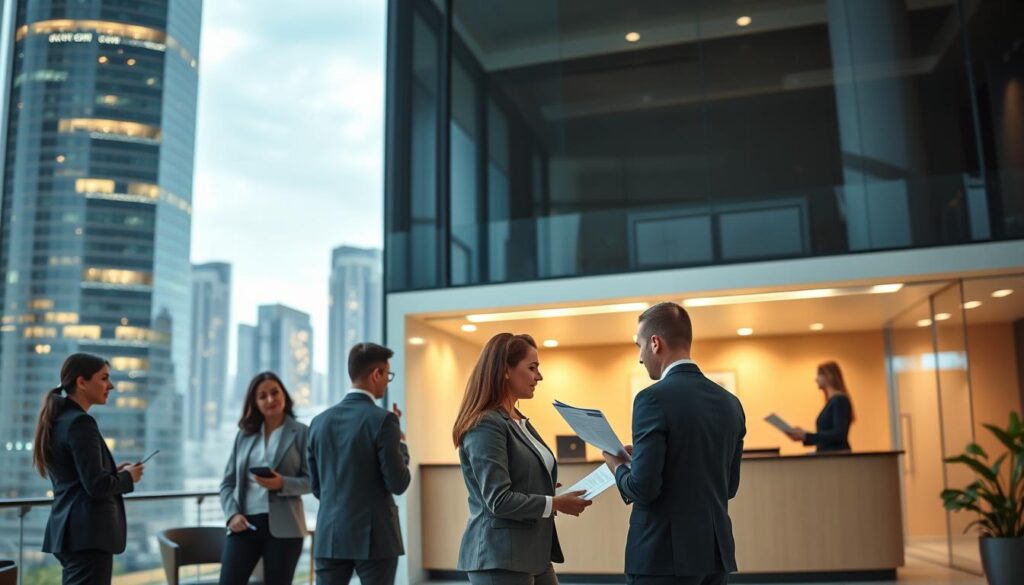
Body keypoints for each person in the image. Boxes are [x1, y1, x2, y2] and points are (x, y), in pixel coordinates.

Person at [603, 303, 746, 585]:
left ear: (655, 343)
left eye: (639, 345)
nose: (640, 358)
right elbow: (728, 486)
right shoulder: (731, 404)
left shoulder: (651, 399)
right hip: (714, 557)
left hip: (661, 557)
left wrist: (617, 464)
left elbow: (643, 489)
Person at [453, 333, 592, 585]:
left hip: (533, 552)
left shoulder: (518, 421)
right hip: (500, 555)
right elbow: (499, 500)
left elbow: (520, 479)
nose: (539, 376)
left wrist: (546, 492)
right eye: (532, 368)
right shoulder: (486, 424)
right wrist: (554, 503)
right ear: (506, 370)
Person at [33, 353, 145, 585]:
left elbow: (77, 477)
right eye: (104, 378)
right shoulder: (80, 423)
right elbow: (96, 486)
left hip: (71, 533)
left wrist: (113, 471)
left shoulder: (60, 419)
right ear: (81, 382)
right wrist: (128, 477)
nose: (111, 385)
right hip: (88, 537)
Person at [307, 342, 410, 585]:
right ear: (377, 374)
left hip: (330, 535)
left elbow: (317, 487)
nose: (387, 381)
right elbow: (398, 483)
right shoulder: (384, 420)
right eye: (388, 375)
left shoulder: (318, 422)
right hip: (376, 538)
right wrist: (401, 445)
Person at [219, 372, 311, 585]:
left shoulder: (301, 432)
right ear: (255, 402)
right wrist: (232, 515)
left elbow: (314, 481)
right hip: (245, 524)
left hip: (286, 528)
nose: (270, 399)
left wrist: (283, 483)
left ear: (284, 395)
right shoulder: (244, 435)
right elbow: (227, 484)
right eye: (262, 396)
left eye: (274, 392)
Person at [785, 361, 854, 452]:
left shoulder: (840, 400)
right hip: (828, 456)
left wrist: (806, 435)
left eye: (819, 375)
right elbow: (827, 437)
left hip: (836, 458)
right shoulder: (833, 401)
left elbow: (839, 434)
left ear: (829, 376)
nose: (816, 379)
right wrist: (803, 436)